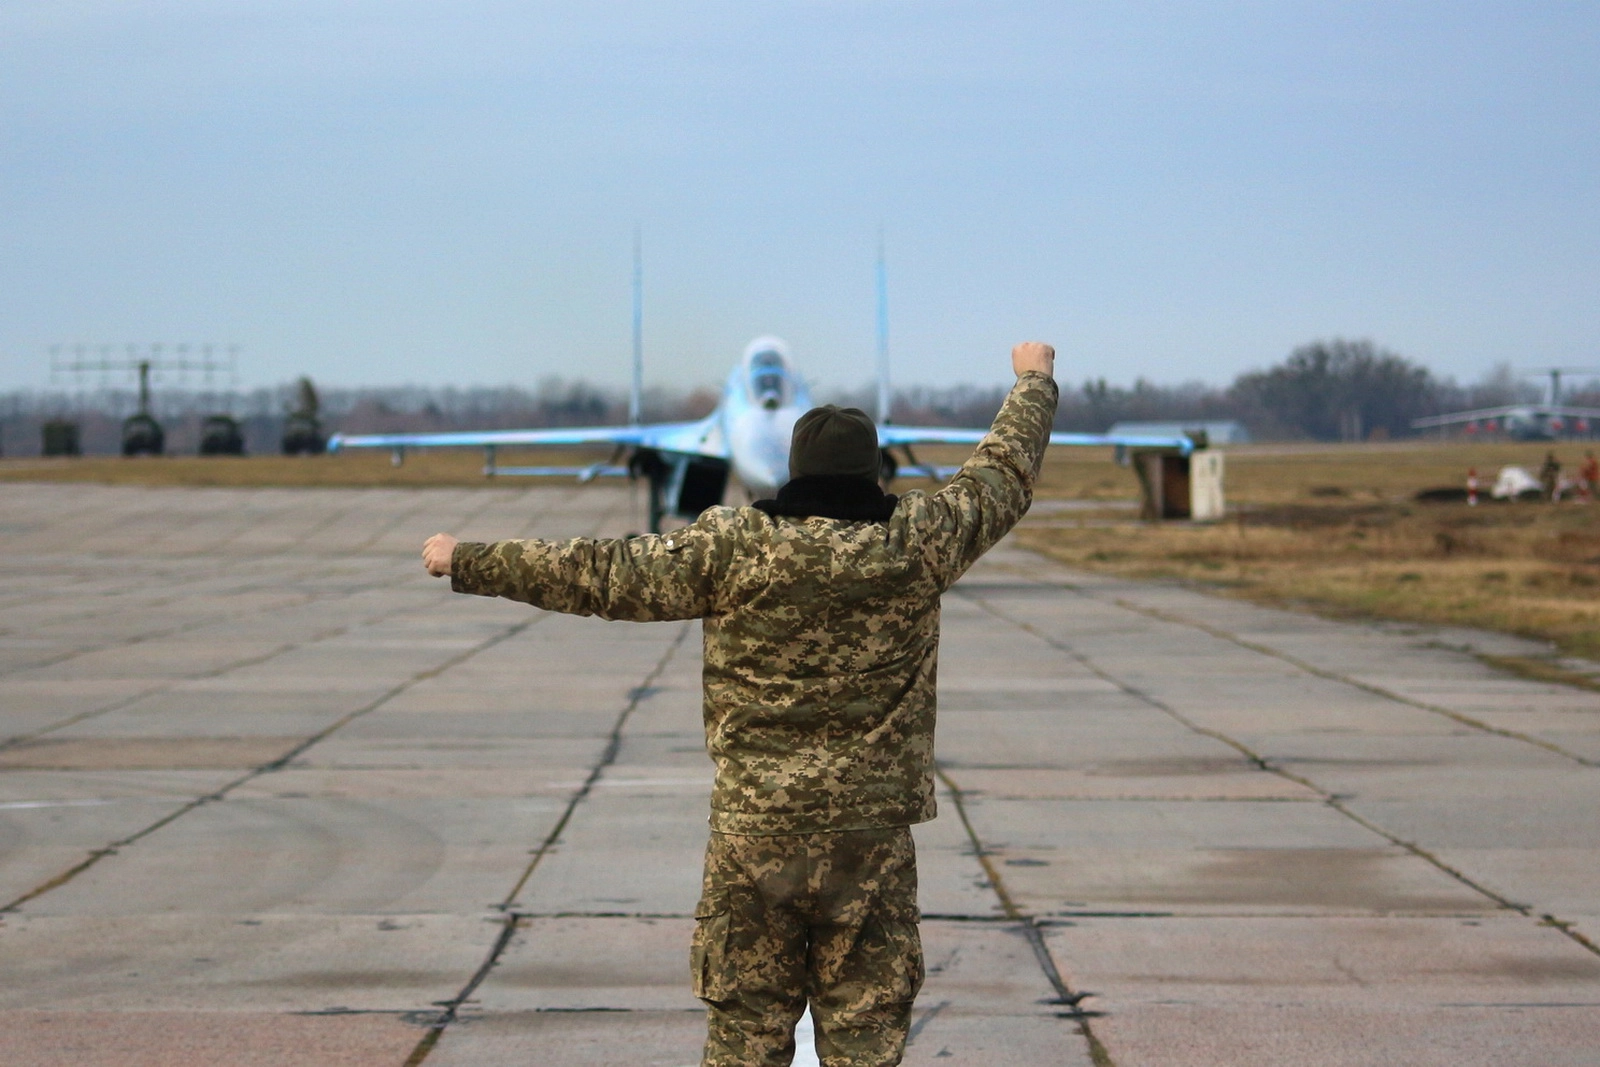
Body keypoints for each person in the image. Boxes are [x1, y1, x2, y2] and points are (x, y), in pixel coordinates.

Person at [421, 342, 1059, 1066]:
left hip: (755, 840)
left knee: (745, 1041)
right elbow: (1003, 475)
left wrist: (468, 557)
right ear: (871, 471)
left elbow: (598, 572)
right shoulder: (917, 544)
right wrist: (1033, 379)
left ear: (794, 469)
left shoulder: (733, 549)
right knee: (864, 1036)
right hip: (869, 842)